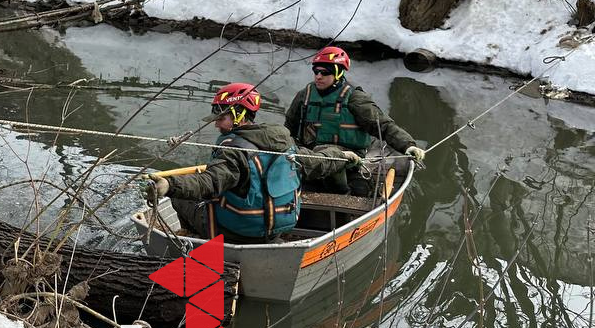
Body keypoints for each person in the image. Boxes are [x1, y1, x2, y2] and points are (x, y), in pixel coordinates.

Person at [147, 83, 358, 242]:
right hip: (279, 227)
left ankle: (196, 240)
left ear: (239, 115)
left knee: (182, 198)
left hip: (239, 230)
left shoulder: (233, 151)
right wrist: (343, 156)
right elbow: (319, 162)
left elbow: (209, 182)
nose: (216, 124)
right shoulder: (285, 144)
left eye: (221, 118)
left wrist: (169, 185)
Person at [284, 46, 425, 195]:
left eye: (325, 73)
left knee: (359, 191)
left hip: (351, 161)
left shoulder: (354, 97)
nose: (318, 76)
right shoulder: (304, 95)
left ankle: (343, 192)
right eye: (316, 72)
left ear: (338, 73)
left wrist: (408, 146)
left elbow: (383, 125)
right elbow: (289, 129)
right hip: (312, 159)